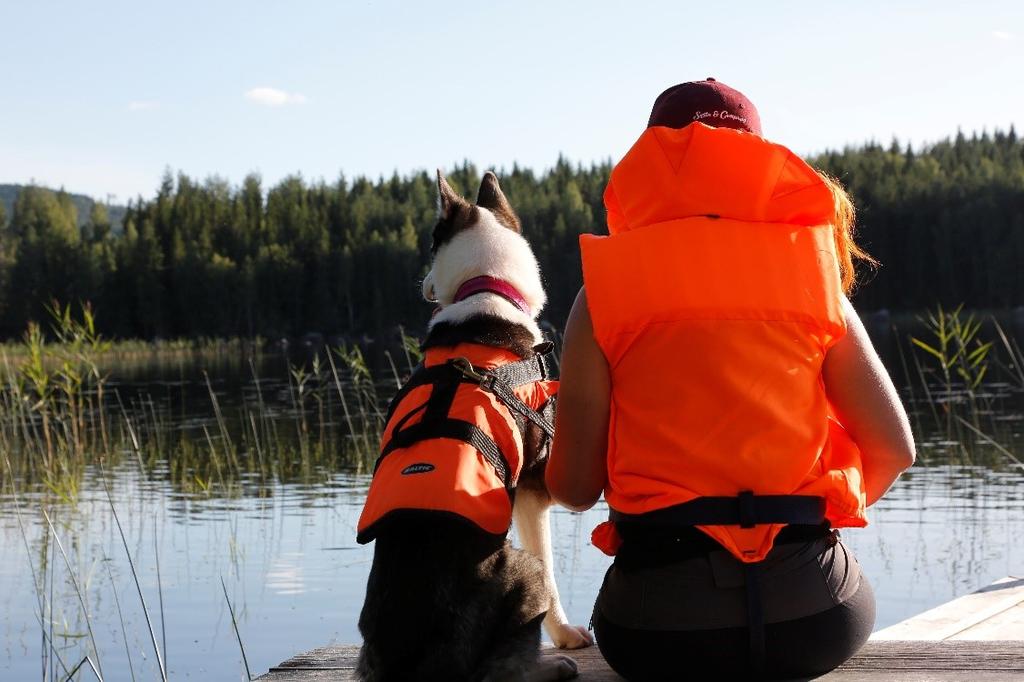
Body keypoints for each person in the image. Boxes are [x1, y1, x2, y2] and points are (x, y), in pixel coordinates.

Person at [545, 78, 915, 680]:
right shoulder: (814, 276)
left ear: (653, 159)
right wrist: (806, 524)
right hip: (815, 619)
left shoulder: (603, 293)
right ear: (759, 161)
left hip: (658, 629)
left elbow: (575, 488)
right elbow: (896, 450)